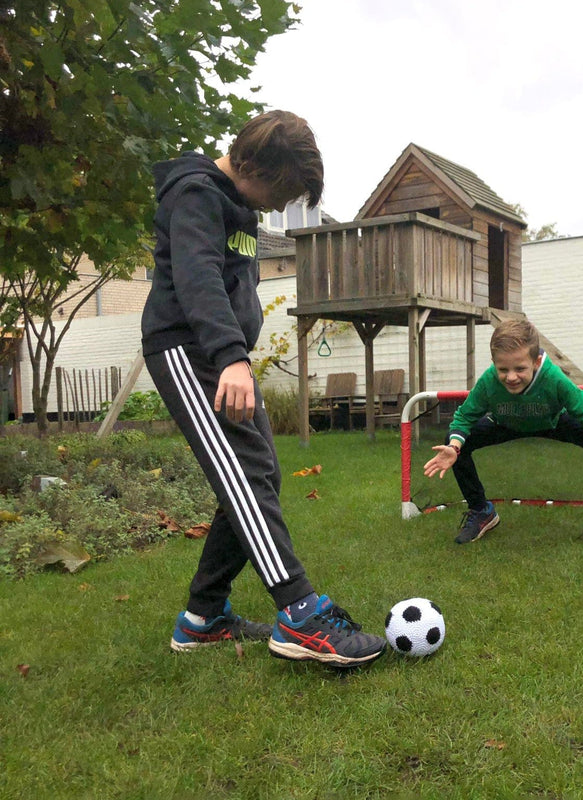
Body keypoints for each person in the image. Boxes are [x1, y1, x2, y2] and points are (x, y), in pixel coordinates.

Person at [141, 110, 386, 667]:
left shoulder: (240, 209)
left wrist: (238, 355)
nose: (277, 206)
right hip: (189, 350)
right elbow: (197, 275)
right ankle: (299, 613)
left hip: (224, 356)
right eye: (279, 191)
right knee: (247, 476)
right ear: (251, 163)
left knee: (259, 475)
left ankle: (203, 618)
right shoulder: (196, 196)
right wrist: (230, 357)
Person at [423, 319, 583, 545]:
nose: (511, 377)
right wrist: (455, 446)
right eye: (503, 369)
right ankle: (482, 510)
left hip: (552, 422)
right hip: (505, 423)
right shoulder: (488, 382)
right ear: (494, 362)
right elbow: (465, 416)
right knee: (454, 443)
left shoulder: (554, 379)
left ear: (536, 362)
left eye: (520, 368)